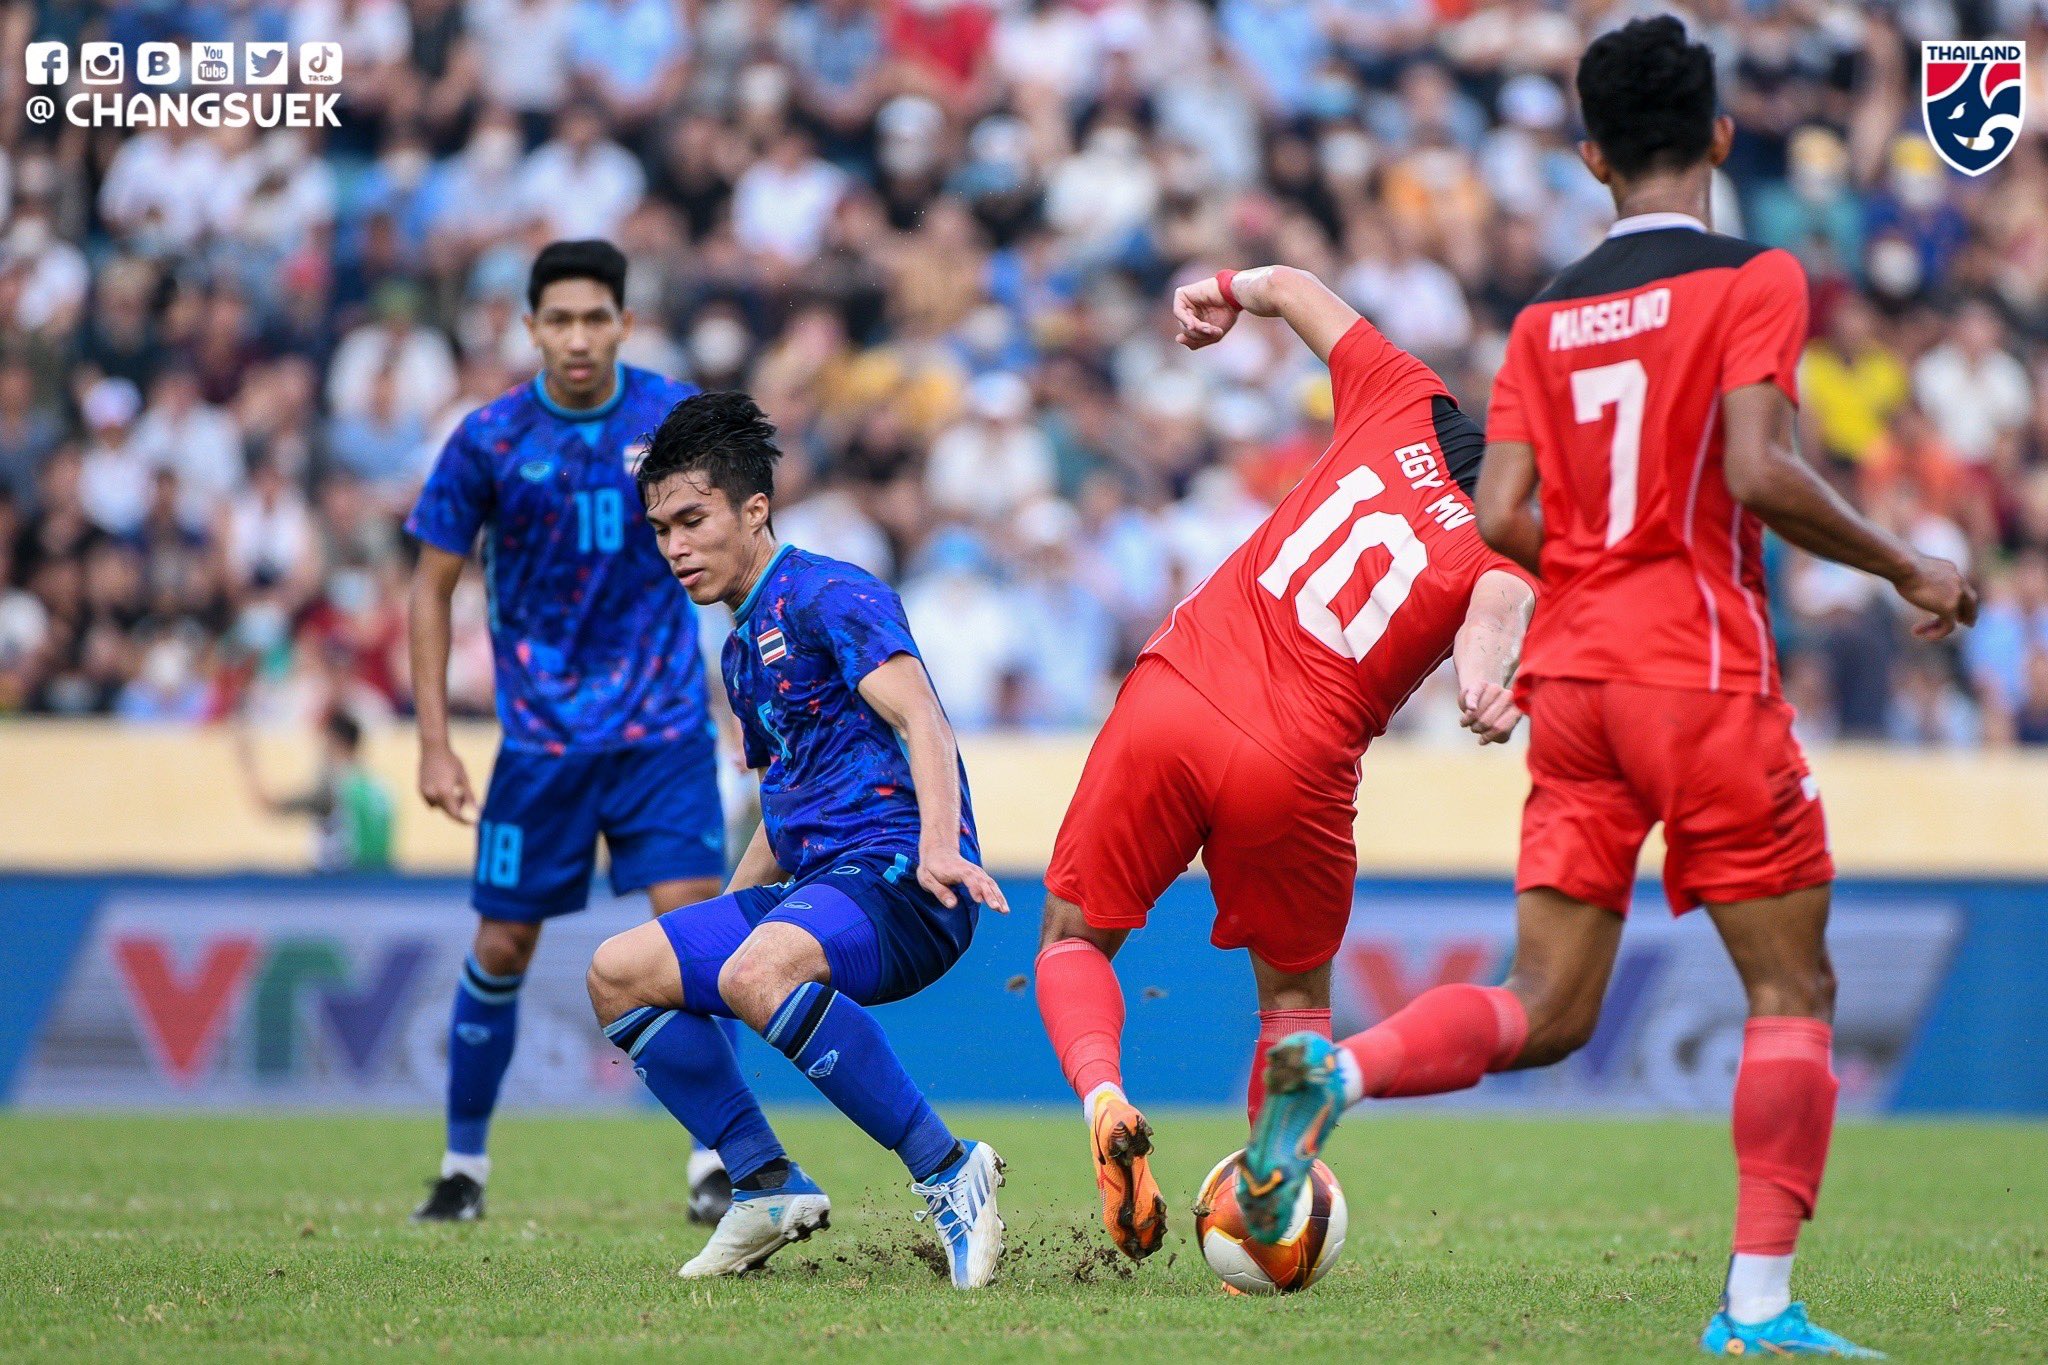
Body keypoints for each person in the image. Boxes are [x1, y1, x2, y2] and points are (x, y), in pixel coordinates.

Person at [1242, 19, 1975, 1358]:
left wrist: (1584, 576)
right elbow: (1756, 471)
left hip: (1572, 679)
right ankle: (1757, 1312)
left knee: (1549, 1004)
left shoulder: (1544, 319)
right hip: (1696, 667)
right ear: (1720, 137)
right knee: (1791, 992)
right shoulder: (1756, 277)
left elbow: (1505, 507)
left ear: (1588, 156)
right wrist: (1905, 563)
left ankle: (1338, 1065)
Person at [1033, 262, 1537, 1263]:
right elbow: (1495, 617)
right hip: (1296, 760)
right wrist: (1485, 687)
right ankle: (1265, 1202)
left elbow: (1294, 287)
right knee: (1296, 1004)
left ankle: (1103, 1099)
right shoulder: (1514, 548)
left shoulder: (1402, 395)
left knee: (1073, 940)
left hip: (1176, 690)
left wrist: (1219, 286)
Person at [584, 392, 1010, 1288]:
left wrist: (941, 845)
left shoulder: (830, 592)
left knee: (753, 971)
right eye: (660, 528)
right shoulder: (741, 652)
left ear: (755, 509)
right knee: (621, 971)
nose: (674, 547)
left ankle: (949, 1170)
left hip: (902, 877)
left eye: (692, 520)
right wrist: (710, 928)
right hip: (821, 881)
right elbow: (782, 811)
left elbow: (924, 719)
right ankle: (766, 1183)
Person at [404, 240, 733, 1225]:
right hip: (540, 744)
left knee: (694, 935)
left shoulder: (670, 418)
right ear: (530, 326)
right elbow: (429, 586)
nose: (579, 337)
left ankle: (714, 1162)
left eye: (597, 318)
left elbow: (736, 543)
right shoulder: (491, 438)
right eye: (561, 320)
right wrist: (431, 738)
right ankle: (463, 1168)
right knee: (501, 945)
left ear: (626, 323)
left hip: (663, 731)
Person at [237, 709, 397, 872]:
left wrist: (248, 764)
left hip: (342, 886)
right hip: (381, 884)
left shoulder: (332, 789)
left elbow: (269, 804)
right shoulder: (382, 787)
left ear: (335, 742)